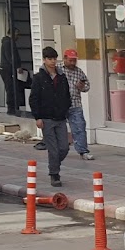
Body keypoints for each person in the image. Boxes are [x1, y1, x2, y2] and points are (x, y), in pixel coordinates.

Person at [29, 47, 72, 188]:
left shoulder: (62, 77)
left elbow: (67, 96)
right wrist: (37, 117)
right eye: (49, 59)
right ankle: (54, 174)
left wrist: (65, 110)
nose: (52, 62)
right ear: (44, 60)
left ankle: (54, 164)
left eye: (54, 58)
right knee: (53, 148)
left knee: (64, 147)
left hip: (60, 117)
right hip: (46, 118)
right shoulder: (38, 77)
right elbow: (34, 98)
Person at [60, 49, 93, 160]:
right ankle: (59, 149)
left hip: (75, 103)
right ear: (64, 58)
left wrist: (82, 86)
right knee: (59, 127)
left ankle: (83, 151)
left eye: (74, 61)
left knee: (79, 127)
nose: (73, 63)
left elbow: (87, 85)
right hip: (60, 104)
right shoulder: (58, 69)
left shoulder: (79, 71)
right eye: (70, 60)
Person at [0, 28, 25, 116]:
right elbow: (10, 57)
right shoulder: (7, 43)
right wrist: (17, 67)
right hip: (7, 70)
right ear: (12, 34)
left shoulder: (8, 42)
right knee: (10, 88)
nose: (18, 37)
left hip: (8, 69)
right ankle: (11, 109)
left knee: (13, 88)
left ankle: (14, 107)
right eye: (17, 34)